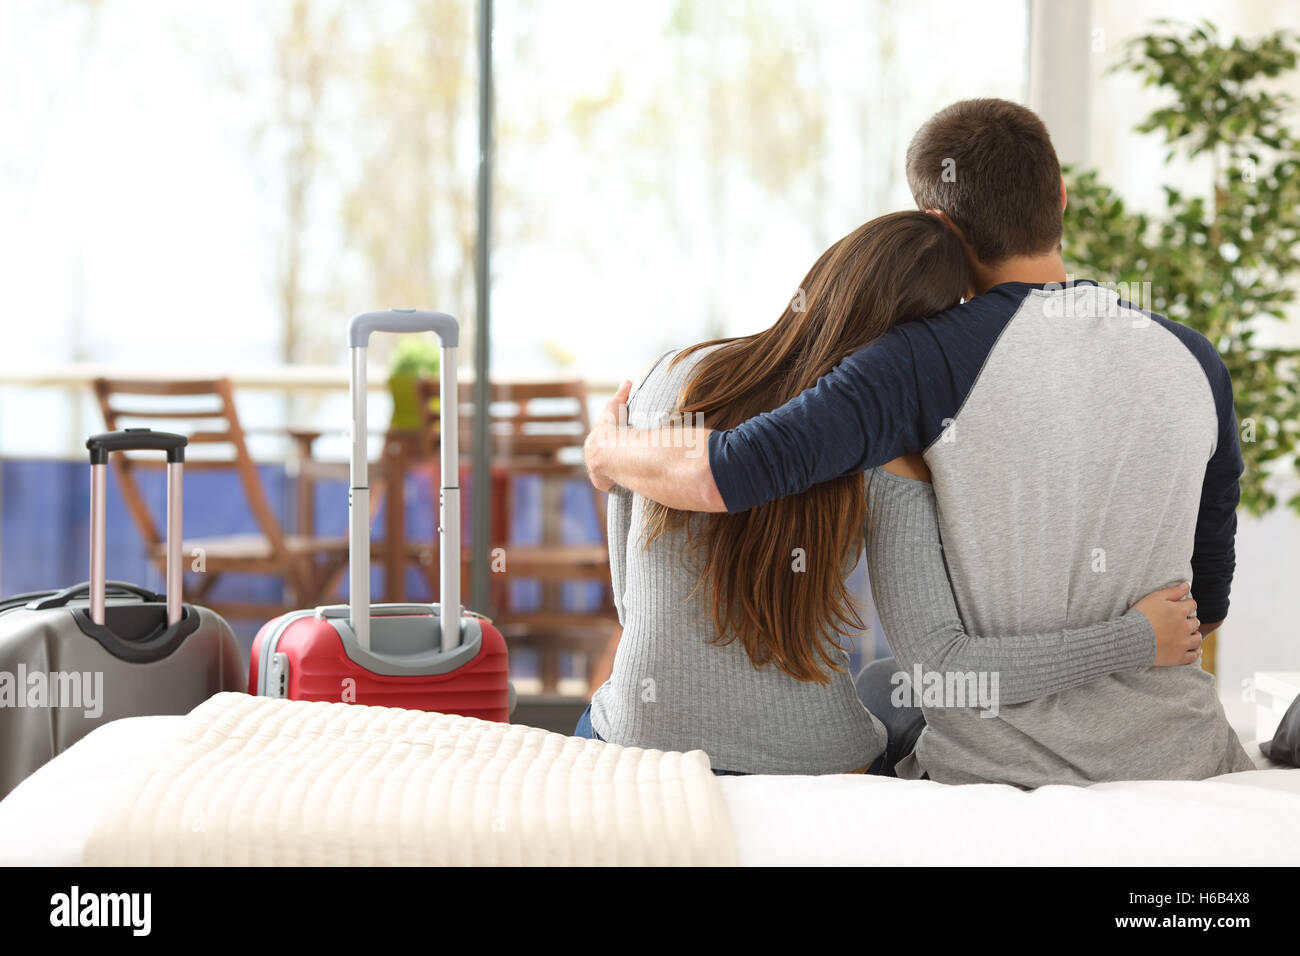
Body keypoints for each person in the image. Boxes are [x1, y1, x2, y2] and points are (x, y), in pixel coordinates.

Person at [584, 98, 1252, 787]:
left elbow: (729, 475)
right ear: (1059, 195)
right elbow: (1209, 599)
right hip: (1180, 752)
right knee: (882, 686)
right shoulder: (1195, 359)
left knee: (885, 683)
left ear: (938, 225)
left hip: (985, 765)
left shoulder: (912, 365)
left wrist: (609, 448)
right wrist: (1133, 632)